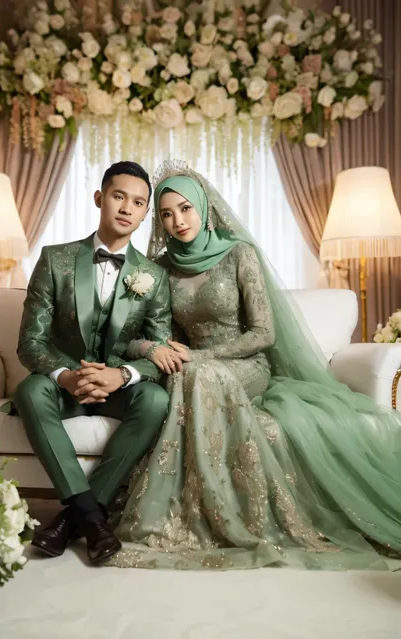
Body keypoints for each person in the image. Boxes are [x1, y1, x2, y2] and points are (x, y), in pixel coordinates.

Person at [108, 160, 401, 571]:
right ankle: (201, 513)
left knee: (196, 373)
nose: (178, 221)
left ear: (205, 207)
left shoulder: (239, 254)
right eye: (167, 214)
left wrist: (201, 356)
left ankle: (215, 515)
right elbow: (141, 334)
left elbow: (264, 334)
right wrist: (154, 349)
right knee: (188, 376)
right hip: (193, 370)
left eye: (186, 209)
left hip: (246, 363)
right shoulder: (161, 267)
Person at [11, 161, 171, 565]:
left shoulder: (153, 275)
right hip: (66, 386)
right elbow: (30, 341)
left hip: (118, 390)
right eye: (119, 196)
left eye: (138, 202)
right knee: (30, 389)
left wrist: (122, 375)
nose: (126, 208)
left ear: (144, 213)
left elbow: (159, 349)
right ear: (100, 198)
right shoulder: (56, 260)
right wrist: (66, 376)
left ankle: (73, 517)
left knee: (154, 400)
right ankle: (93, 519)